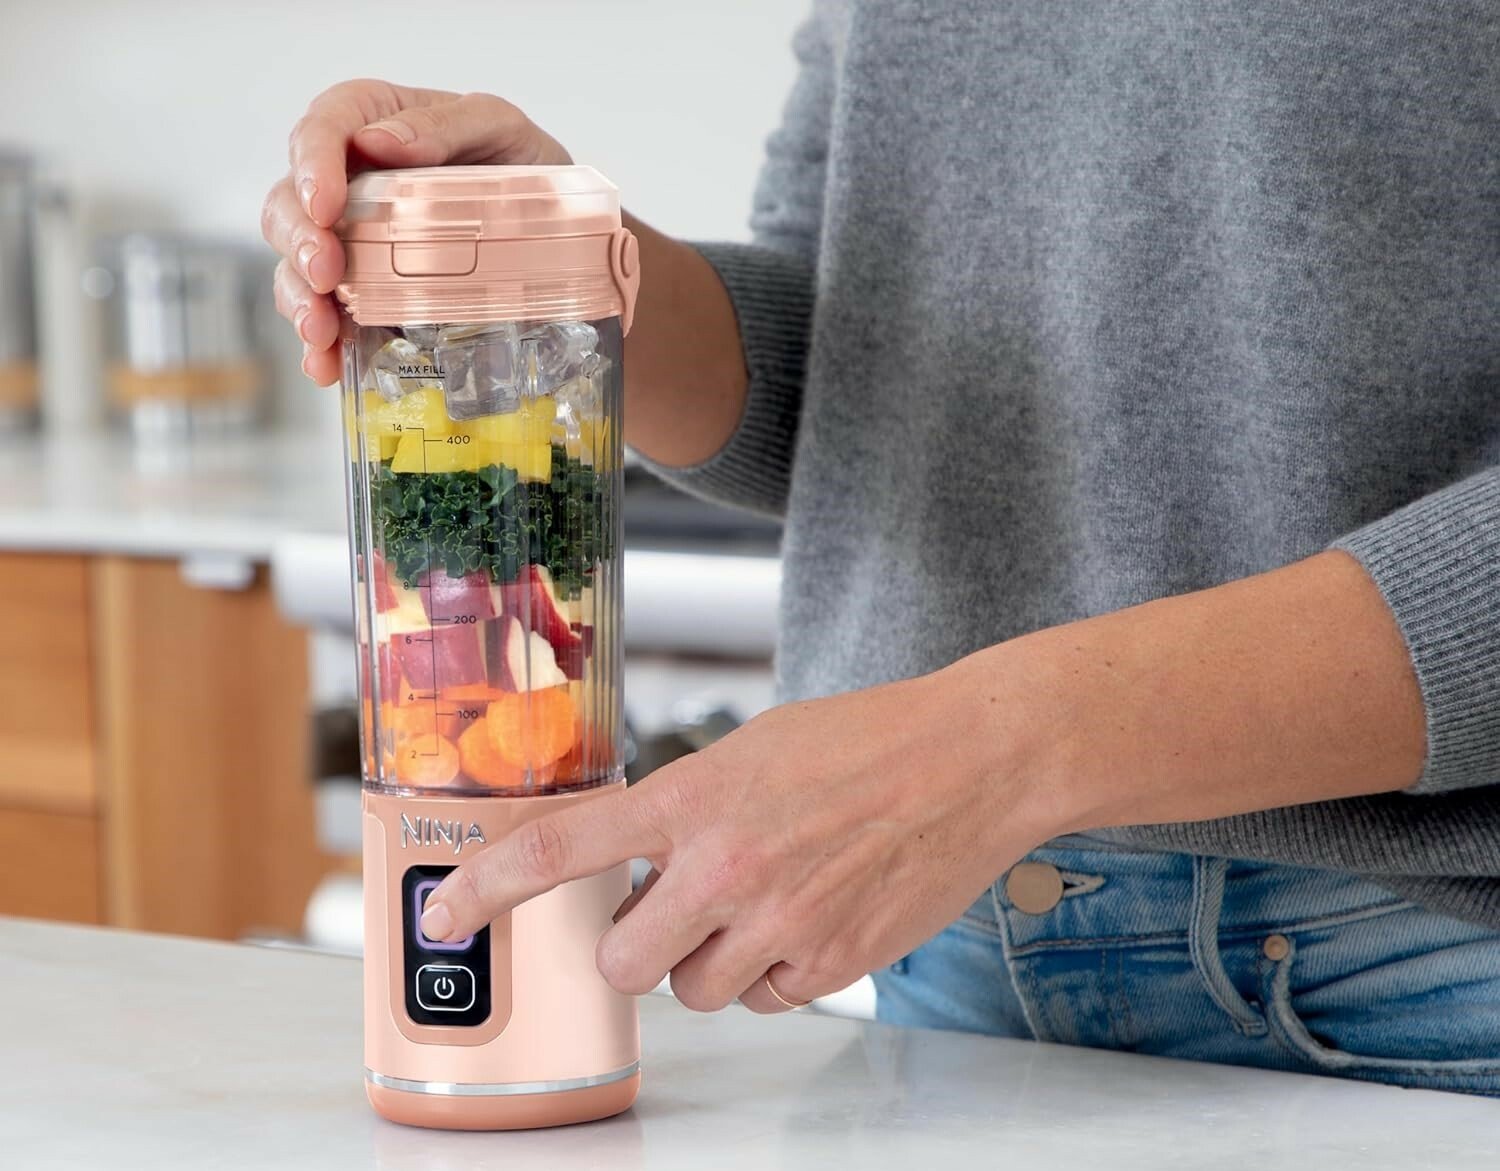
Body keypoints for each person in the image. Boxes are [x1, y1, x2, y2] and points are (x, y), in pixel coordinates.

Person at [263, 5, 1500, 1094]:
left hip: (1424, 974)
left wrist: (993, 752)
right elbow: (854, 360)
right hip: (953, 966)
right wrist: (566, 263)